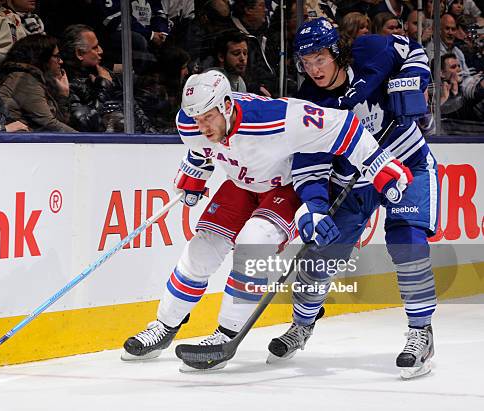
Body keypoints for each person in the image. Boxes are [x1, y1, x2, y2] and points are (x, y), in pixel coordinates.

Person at [121, 69, 414, 372]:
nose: (201, 125)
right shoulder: (190, 123)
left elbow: (345, 127)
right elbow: (200, 150)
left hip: (284, 188)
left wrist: (379, 164)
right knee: (201, 249)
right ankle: (164, 326)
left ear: (226, 105)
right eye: (196, 118)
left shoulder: (277, 118)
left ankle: (225, 335)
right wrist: (194, 175)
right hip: (240, 185)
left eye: (208, 116)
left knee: (253, 243)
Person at [272, 17, 438, 379]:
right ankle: (303, 324)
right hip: (354, 184)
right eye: (306, 61)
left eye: (320, 58)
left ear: (336, 52)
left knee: (407, 241)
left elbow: (412, 49)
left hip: (407, 162)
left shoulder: (369, 50)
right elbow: (309, 168)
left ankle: (421, 333)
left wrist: (413, 83)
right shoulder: (308, 103)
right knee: (321, 255)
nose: (313, 68)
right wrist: (315, 208)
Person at [60, 24, 154, 132]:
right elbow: (87, 123)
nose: (101, 51)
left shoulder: (104, 72)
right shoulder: (67, 84)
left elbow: (133, 108)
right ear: (79, 53)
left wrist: (151, 132)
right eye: (95, 48)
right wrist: (104, 86)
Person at [0, 33, 75, 132]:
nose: (61, 61)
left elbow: (60, 121)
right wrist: (86, 140)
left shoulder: (35, 78)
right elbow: (49, 124)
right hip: (20, 143)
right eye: (56, 56)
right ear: (41, 57)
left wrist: (63, 95)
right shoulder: (24, 79)